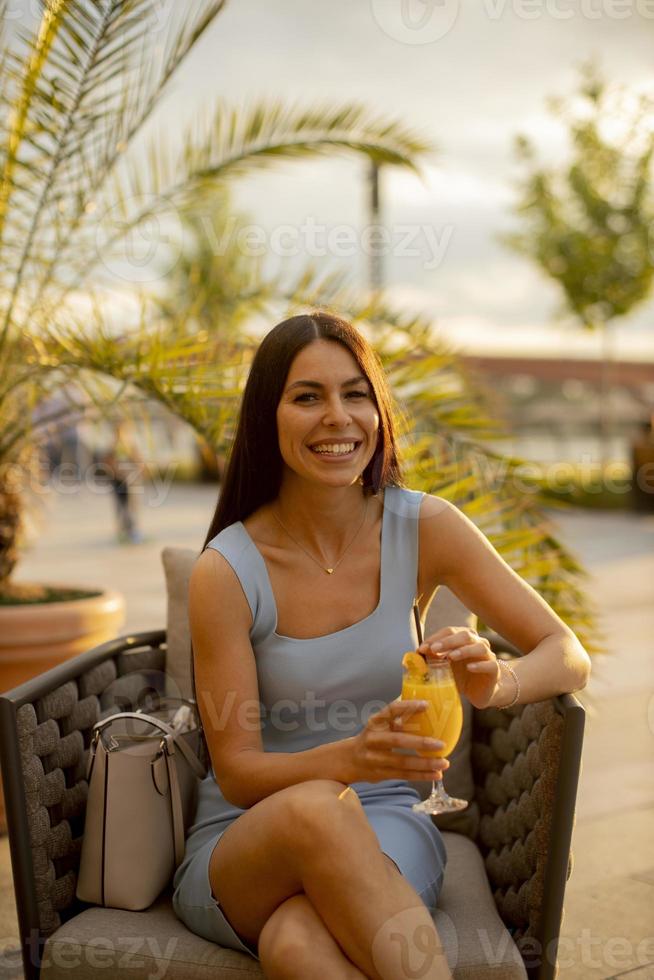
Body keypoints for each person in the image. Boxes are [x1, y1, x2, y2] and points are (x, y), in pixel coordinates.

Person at [172, 311, 591, 980]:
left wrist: (495, 682)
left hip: (389, 827)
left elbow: (565, 650)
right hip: (246, 840)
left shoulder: (425, 526)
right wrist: (353, 759)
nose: (337, 416)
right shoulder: (225, 571)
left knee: (296, 945)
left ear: (378, 410)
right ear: (267, 417)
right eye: (307, 396)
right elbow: (239, 771)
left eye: (355, 393)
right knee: (315, 806)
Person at [103, 420, 145, 544]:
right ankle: (123, 531)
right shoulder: (113, 447)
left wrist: (135, 471)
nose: (120, 435)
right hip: (118, 481)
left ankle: (133, 530)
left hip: (130, 482)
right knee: (120, 507)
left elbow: (139, 462)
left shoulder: (130, 446)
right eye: (118, 432)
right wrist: (115, 471)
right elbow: (107, 463)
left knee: (132, 507)